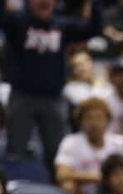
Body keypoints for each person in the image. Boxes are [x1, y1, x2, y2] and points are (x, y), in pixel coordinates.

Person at [1, 0, 104, 170]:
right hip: (22, 96)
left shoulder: (61, 25)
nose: (44, 1)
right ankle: (12, 191)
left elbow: (93, 29)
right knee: (15, 151)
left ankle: (56, 190)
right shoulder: (17, 22)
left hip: (53, 98)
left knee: (57, 154)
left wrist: (96, 4)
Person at [54, 97, 123, 194]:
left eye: (99, 118)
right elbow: (62, 174)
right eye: (88, 118)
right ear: (81, 122)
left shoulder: (120, 142)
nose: (94, 124)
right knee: (68, 185)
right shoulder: (71, 142)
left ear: (108, 121)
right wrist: (96, 177)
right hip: (84, 191)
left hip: (113, 188)